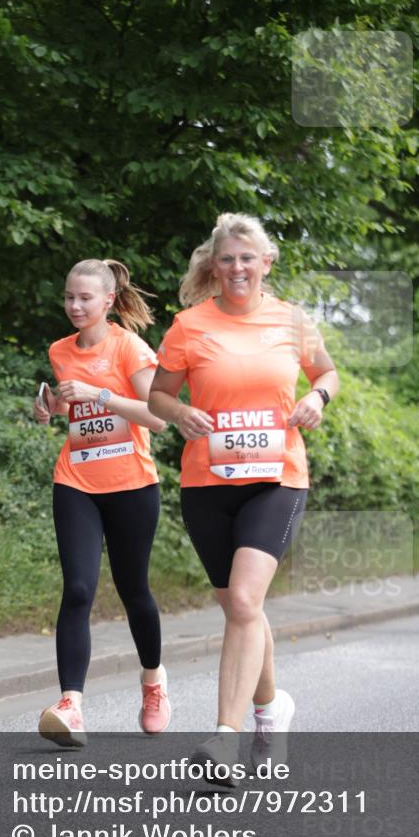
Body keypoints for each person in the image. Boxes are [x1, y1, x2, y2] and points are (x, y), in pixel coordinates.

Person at [148, 213, 339, 782]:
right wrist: (180, 412)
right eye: (227, 259)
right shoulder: (188, 326)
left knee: (247, 600)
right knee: (239, 606)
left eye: (247, 258)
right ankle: (272, 707)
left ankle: (225, 738)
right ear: (214, 265)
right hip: (208, 482)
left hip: (276, 478)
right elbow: (159, 394)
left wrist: (318, 399)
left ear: (266, 263)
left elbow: (327, 373)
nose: (237, 268)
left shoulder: (292, 321)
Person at [34, 258, 171, 746]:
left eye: (84, 298)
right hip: (76, 481)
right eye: (69, 296)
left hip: (132, 485)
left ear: (108, 301)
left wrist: (100, 394)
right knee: (77, 588)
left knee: (134, 591)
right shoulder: (59, 350)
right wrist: (50, 408)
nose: (74, 305)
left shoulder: (129, 347)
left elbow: (158, 417)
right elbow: (74, 412)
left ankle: (153, 683)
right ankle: (71, 705)